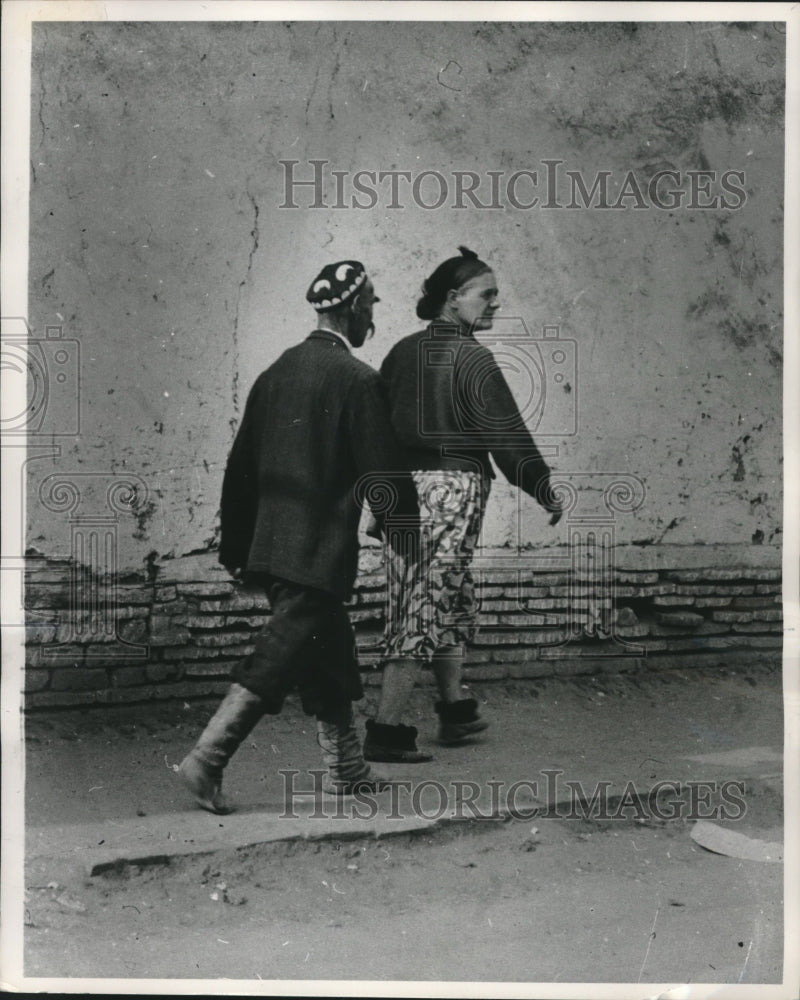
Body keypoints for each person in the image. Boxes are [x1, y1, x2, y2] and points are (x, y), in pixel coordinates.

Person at [179, 259, 419, 812]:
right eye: (373, 305)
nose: (374, 317)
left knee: (329, 649)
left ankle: (347, 768)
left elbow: (240, 468)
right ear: (355, 308)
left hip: (271, 546)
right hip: (317, 551)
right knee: (282, 650)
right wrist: (404, 537)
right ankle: (208, 758)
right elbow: (383, 473)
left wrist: (238, 548)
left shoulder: (275, 373)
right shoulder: (358, 380)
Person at [362, 247, 563, 764]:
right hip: (452, 491)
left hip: (404, 489)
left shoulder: (402, 352)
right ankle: (386, 731)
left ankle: (454, 711)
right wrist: (541, 485)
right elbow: (506, 435)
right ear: (453, 299)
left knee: (447, 596)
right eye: (486, 295)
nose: (494, 304)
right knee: (423, 604)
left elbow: (376, 433)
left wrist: (377, 499)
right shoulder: (472, 356)